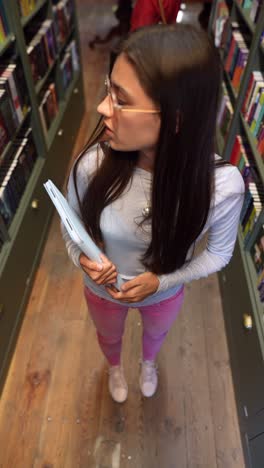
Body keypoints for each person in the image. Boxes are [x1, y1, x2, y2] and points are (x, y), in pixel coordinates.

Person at [62, 24, 245, 403]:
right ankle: (114, 366)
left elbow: (219, 253)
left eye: (121, 101)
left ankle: (149, 362)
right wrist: (82, 258)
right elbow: (70, 224)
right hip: (102, 292)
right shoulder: (92, 165)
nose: (101, 108)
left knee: (156, 335)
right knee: (108, 336)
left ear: (176, 118)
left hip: (164, 295)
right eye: (109, 91)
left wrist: (161, 282)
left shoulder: (221, 188)